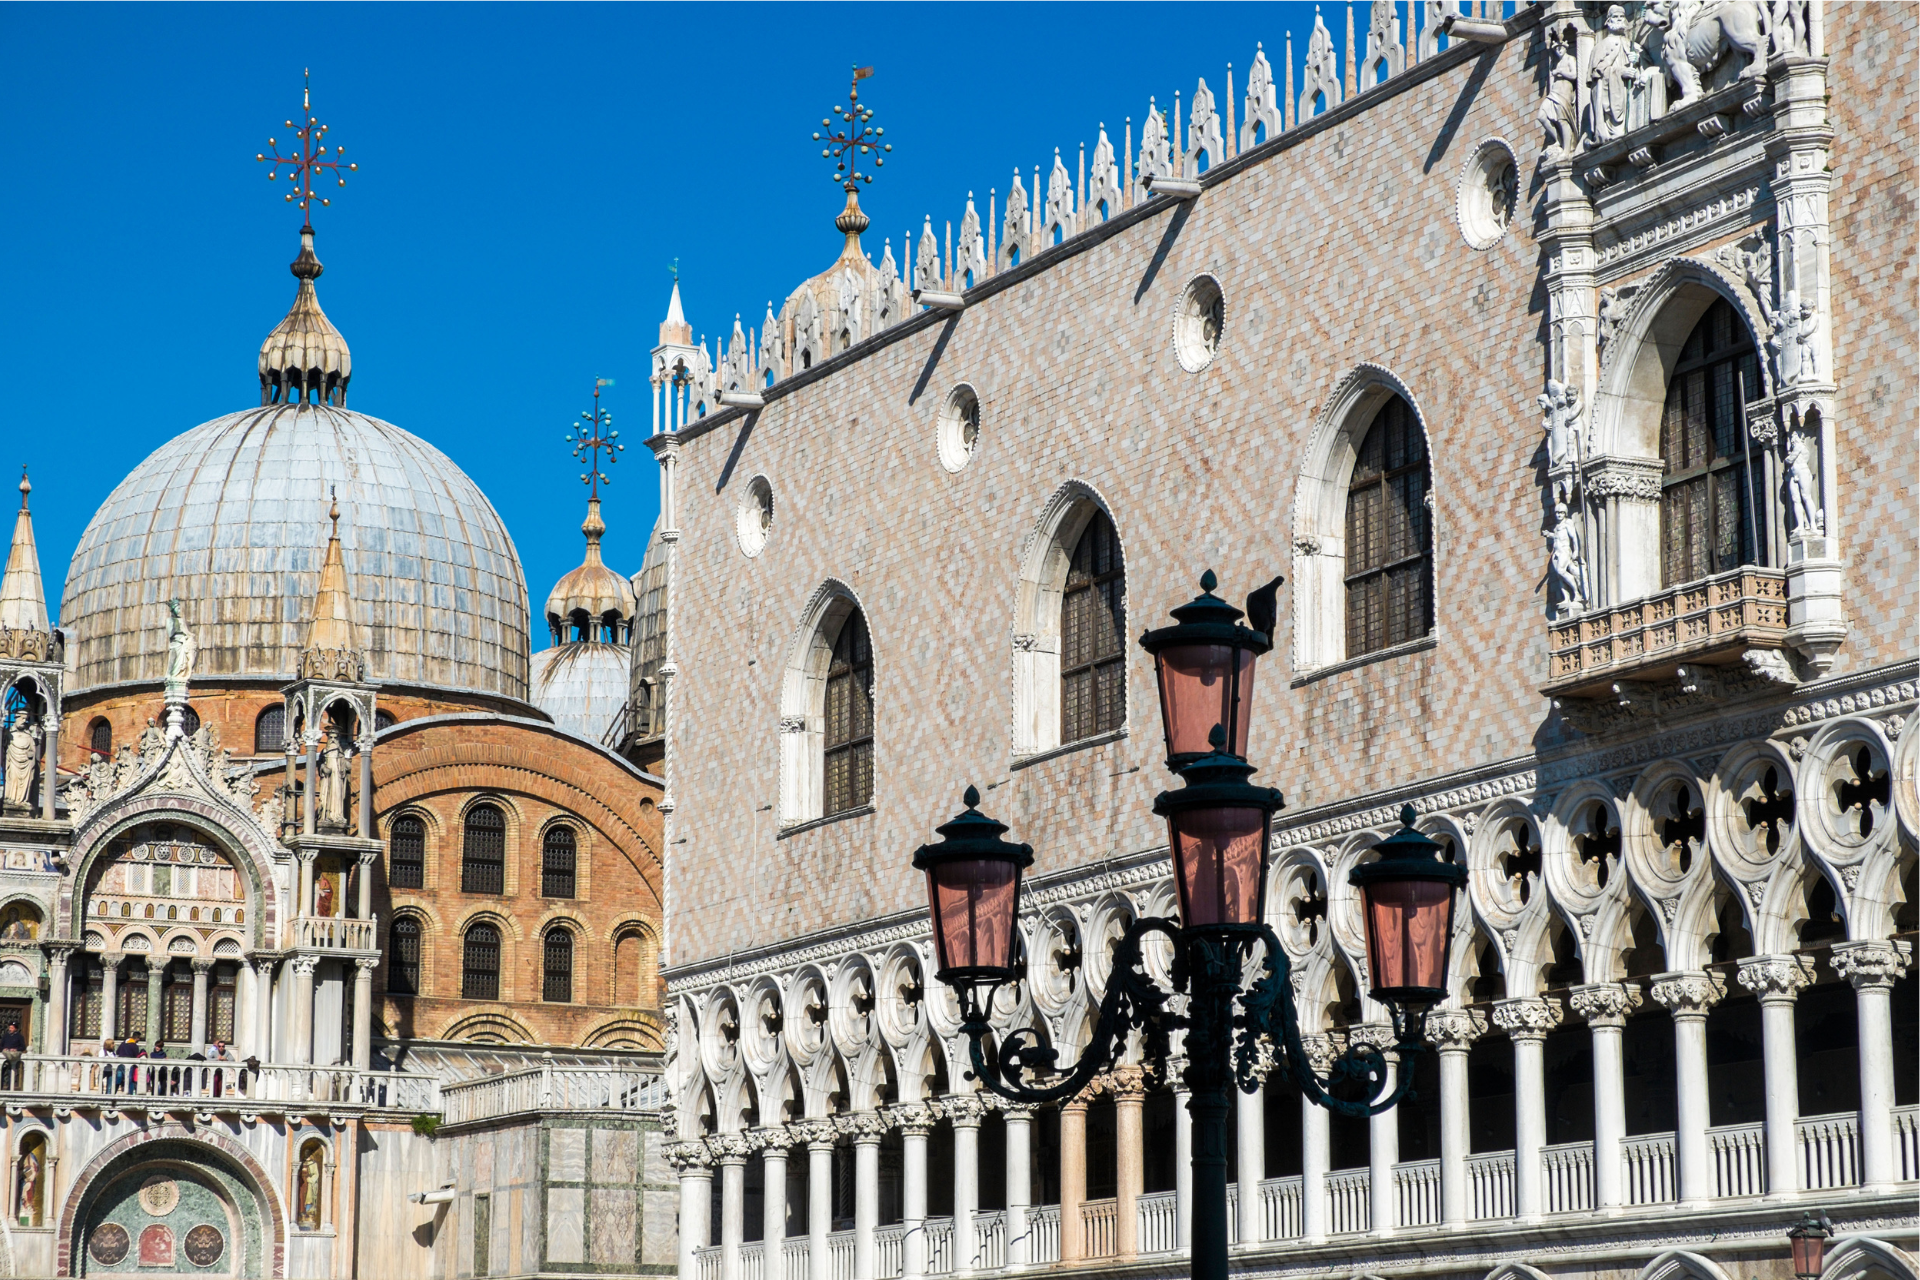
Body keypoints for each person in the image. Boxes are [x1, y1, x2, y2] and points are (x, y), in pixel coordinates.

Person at [0, 1020, 25, 1090]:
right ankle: (1, 1087)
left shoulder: (19, 1036)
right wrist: (4, 1049)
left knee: (11, 1073)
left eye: (12, 1028)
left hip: (13, 1058)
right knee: (2, 1072)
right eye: (10, 1027)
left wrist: (15, 1049)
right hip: (4, 1057)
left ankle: (10, 1088)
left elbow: (23, 1047)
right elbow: (1, 1046)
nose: (10, 1029)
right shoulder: (6, 1036)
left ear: (16, 1029)